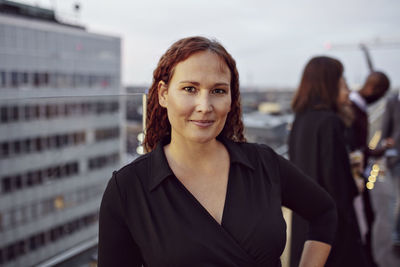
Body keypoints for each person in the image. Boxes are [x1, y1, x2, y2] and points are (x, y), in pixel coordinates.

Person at [98, 36, 337, 267]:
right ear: (163, 94)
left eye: (218, 91)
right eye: (190, 89)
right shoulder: (129, 188)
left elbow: (324, 211)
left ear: (231, 98)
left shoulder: (264, 163)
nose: (205, 106)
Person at [288, 56, 372, 267]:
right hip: (331, 225)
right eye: (340, 78)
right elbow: (338, 184)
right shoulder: (330, 122)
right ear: (329, 82)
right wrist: (356, 183)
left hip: (305, 218)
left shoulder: (300, 119)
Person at [347, 71, 391, 266]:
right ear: (374, 89)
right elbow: (354, 149)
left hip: (357, 176)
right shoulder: (352, 109)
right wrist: (358, 181)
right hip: (354, 179)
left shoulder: (357, 107)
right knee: (364, 220)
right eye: (381, 94)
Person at [381, 90, 400, 245]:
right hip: (397, 158)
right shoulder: (393, 102)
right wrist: (386, 153)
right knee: (398, 197)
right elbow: (385, 131)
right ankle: (396, 234)